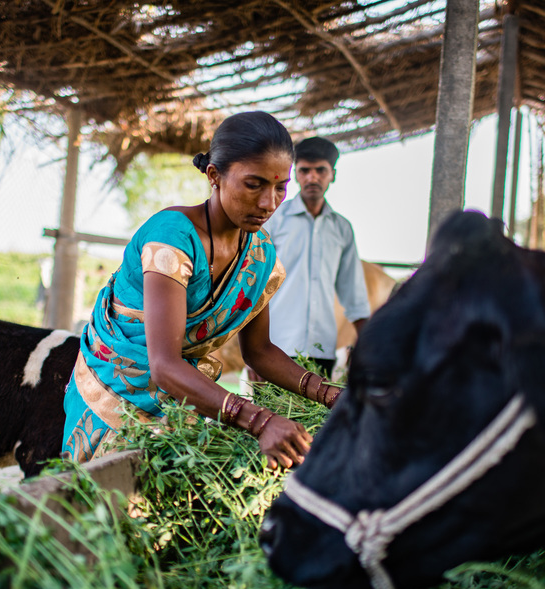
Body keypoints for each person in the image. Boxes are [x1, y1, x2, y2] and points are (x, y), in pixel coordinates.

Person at [62, 111, 341, 470]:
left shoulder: (260, 255)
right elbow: (164, 365)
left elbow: (259, 351)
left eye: (280, 188)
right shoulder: (172, 238)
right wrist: (261, 422)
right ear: (214, 176)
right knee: (101, 506)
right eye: (254, 184)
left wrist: (331, 395)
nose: (268, 203)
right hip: (112, 397)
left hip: (183, 403)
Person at [263, 136, 370, 378]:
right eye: (305, 170)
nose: (312, 177)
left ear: (332, 174)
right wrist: (252, 356)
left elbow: (354, 294)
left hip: (323, 349)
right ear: (295, 174)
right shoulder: (273, 219)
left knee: (315, 416)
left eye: (320, 170)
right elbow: (254, 284)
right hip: (274, 347)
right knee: (271, 415)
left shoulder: (342, 228)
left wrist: (369, 345)